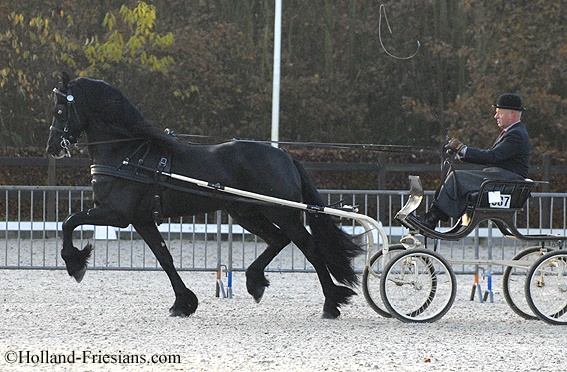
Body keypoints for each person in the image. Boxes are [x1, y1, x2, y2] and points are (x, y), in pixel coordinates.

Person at [416, 93, 530, 229]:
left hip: (505, 180)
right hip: (500, 178)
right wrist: (461, 151)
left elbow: (492, 156)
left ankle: (431, 219)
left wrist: (462, 149)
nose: (496, 116)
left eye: (499, 113)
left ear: (511, 114)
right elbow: (493, 156)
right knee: (458, 179)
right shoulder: (513, 132)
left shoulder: (515, 134)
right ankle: (434, 217)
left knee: (456, 178)